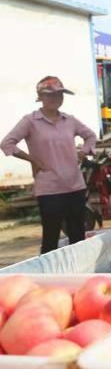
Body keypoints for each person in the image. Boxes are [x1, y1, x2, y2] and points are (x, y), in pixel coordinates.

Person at [1, 76, 97, 254]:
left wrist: (84, 151)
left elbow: (91, 136)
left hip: (75, 185)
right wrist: (32, 159)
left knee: (78, 237)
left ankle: (78, 276)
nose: (56, 99)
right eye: (51, 95)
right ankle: (48, 277)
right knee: (51, 238)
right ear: (41, 97)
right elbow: (7, 143)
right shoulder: (30, 121)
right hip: (49, 189)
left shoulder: (69, 120)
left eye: (60, 95)